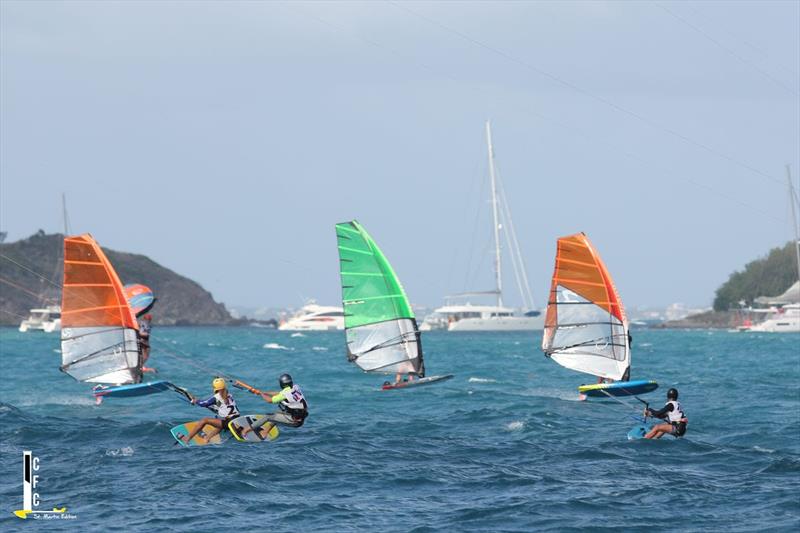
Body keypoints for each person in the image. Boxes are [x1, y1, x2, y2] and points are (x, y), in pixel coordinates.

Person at [240, 373, 308, 439]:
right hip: (299, 416)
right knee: (278, 413)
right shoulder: (295, 387)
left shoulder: (285, 394)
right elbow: (279, 393)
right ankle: (265, 432)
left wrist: (261, 394)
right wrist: (264, 392)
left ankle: (245, 430)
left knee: (268, 417)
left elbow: (269, 400)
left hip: (295, 421)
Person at [178, 378, 240, 444]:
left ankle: (187, 439)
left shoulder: (217, 397)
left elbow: (204, 404)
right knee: (220, 423)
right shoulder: (228, 395)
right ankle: (207, 438)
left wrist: (195, 401)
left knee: (205, 420)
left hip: (229, 423)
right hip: (236, 421)